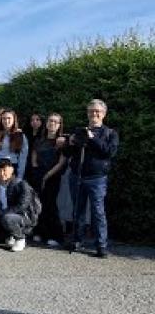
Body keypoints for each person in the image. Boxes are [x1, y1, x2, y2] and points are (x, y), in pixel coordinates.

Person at [66, 99, 118, 258]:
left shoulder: (110, 133)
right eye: (91, 111)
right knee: (77, 211)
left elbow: (109, 152)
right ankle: (77, 240)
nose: (94, 114)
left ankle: (101, 245)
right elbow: (68, 154)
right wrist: (69, 143)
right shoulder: (79, 131)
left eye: (97, 111)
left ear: (104, 114)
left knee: (98, 212)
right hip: (77, 176)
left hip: (97, 179)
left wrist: (92, 138)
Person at [30, 113, 67, 247]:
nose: (52, 123)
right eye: (50, 121)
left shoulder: (62, 142)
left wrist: (47, 175)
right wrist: (35, 167)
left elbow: (61, 162)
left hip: (53, 177)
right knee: (38, 204)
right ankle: (40, 232)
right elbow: (34, 153)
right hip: (38, 175)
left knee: (50, 205)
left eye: (55, 122)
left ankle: (55, 236)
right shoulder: (40, 139)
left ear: (59, 125)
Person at [0, 158, 34, 252]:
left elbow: (21, 207)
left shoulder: (21, 184)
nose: (2, 173)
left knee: (7, 218)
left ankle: (20, 238)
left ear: (11, 169)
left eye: (4, 170)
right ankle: (9, 235)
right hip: (2, 217)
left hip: (22, 218)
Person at [0, 109, 29, 186]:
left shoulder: (21, 136)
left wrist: (20, 177)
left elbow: (22, 158)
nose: (6, 121)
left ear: (14, 120)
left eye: (9, 118)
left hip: (11, 168)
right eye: (4, 118)